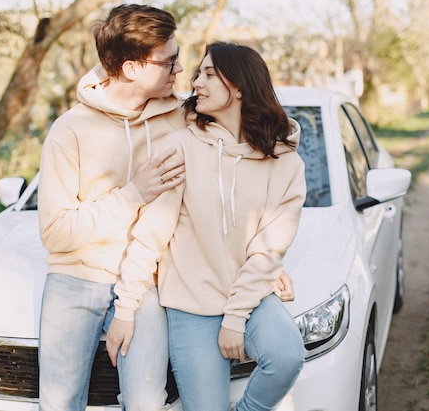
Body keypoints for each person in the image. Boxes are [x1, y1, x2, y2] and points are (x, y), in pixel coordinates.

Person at [108, 41, 306, 411]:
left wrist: (235, 318)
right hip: (191, 308)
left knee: (286, 357)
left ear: (240, 87)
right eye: (198, 73)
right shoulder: (181, 147)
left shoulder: (285, 162)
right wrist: (125, 307)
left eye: (209, 74)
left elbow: (269, 248)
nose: (196, 81)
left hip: (251, 299)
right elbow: (151, 234)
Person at [37, 4, 186, 411]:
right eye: (169, 61)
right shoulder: (70, 130)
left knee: (146, 404)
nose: (179, 69)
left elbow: (253, 137)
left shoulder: (182, 117)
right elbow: (56, 232)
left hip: (145, 283)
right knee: (59, 403)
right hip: (75, 279)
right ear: (133, 67)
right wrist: (133, 194)